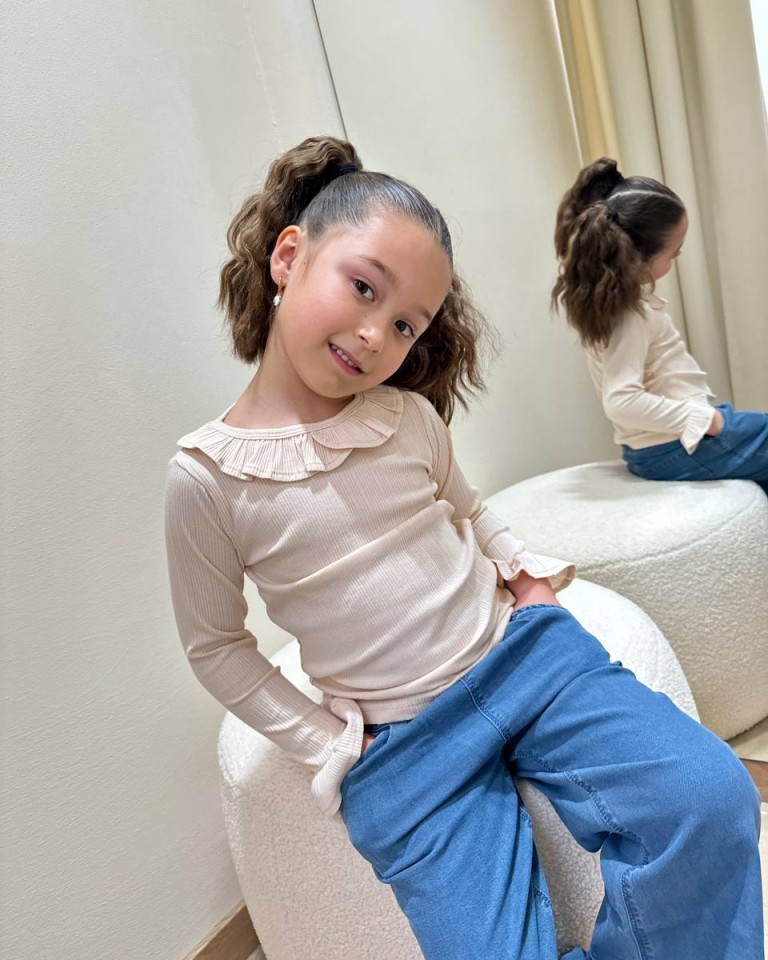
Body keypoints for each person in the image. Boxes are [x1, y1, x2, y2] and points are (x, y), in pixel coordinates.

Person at [165, 137, 762, 959]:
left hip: (523, 663)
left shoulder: (407, 417)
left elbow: (470, 511)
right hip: (407, 747)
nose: (376, 334)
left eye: (405, 324)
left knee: (710, 796)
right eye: (363, 287)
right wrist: (330, 742)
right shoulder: (208, 478)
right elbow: (215, 647)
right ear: (289, 256)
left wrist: (529, 585)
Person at [552, 157, 768, 494]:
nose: (676, 259)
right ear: (636, 256)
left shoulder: (615, 305)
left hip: (667, 443)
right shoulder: (629, 316)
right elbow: (621, 401)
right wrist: (700, 419)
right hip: (671, 448)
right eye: (673, 253)